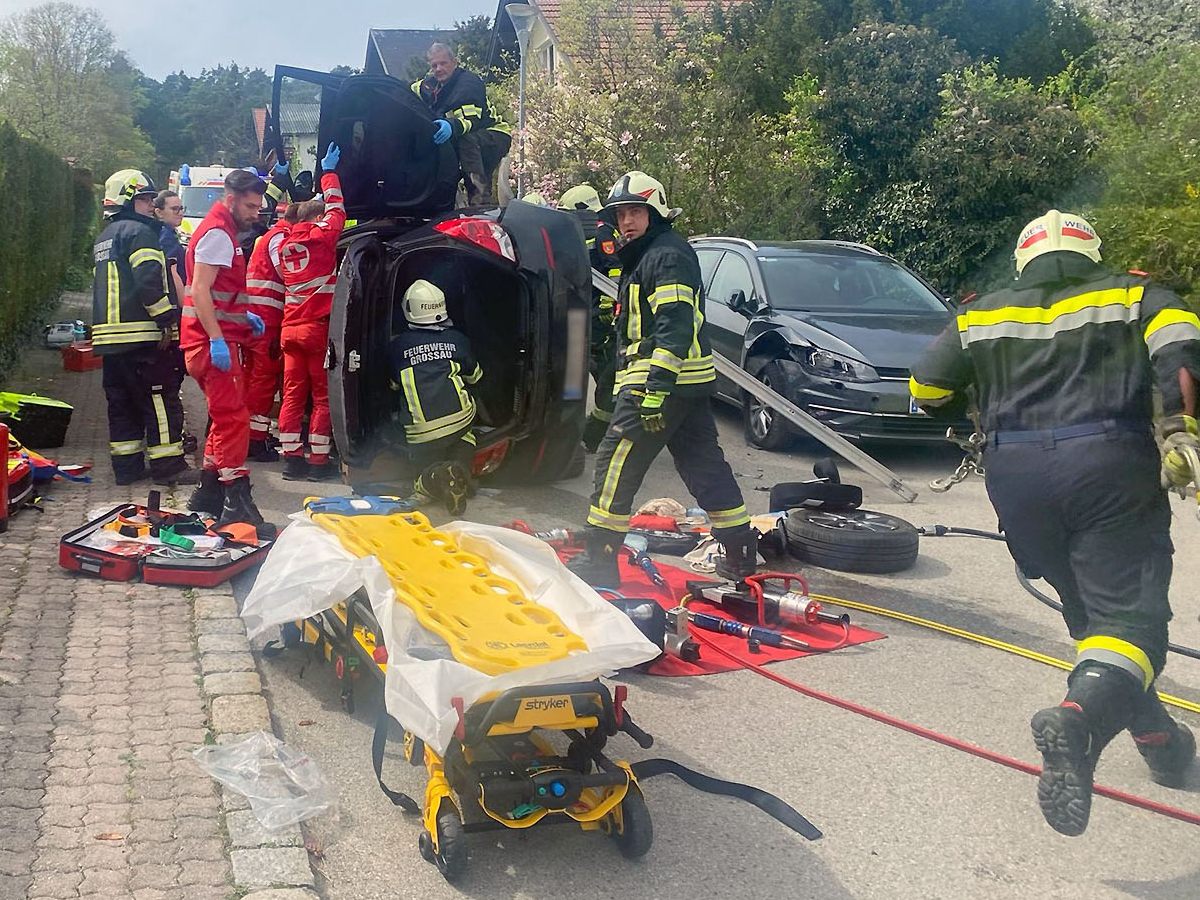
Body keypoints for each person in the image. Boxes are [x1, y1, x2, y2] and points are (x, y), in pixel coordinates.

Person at [910, 209, 1200, 836]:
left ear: (1023, 259)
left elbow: (925, 390)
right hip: (1108, 466)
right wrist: (1180, 428)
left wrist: (979, 395)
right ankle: (1079, 719)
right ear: (1092, 251)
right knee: (1130, 624)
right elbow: (1181, 352)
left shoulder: (978, 312)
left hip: (1016, 479)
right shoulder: (1134, 293)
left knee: (1095, 623)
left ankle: (1160, 742)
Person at [569, 172, 757, 587]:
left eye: (635, 211)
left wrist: (655, 387)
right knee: (703, 466)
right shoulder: (650, 254)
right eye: (620, 214)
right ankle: (741, 552)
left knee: (615, 463)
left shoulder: (665, 256)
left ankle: (600, 559)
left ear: (655, 213)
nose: (626, 222)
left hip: (658, 384)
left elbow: (675, 323)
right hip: (685, 385)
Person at [182, 168, 273, 535]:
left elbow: (215, 291)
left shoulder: (220, 230)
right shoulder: (219, 234)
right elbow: (202, 291)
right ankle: (236, 503)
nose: (256, 213)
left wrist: (240, 315)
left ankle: (208, 493)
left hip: (209, 338)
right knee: (235, 418)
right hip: (211, 343)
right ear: (231, 199)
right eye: (251, 206)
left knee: (223, 418)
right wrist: (219, 337)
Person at [92, 170, 197, 486]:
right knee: (161, 400)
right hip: (142, 336)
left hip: (110, 342)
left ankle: (127, 468)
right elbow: (149, 281)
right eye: (146, 199)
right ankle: (169, 468)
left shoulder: (104, 237)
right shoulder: (141, 234)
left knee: (121, 404)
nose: (152, 205)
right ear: (128, 201)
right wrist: (167, 320)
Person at [277, 144, 345, 482]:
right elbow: (337, 210)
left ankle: (292, 460)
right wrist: (329, 173)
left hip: (289, 330)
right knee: (321, 396)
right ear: (315, 218)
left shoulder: (287, 243)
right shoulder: (322, 238)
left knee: (292, 395)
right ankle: (319, 462)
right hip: (316, 329)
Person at [388, 279, 482, 516]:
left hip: (422, 432)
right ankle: (458, 470)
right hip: (460, 421)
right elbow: (476, 378)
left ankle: (436, 477)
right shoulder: (458, 340)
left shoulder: (397, 347)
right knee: (466, 435)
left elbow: (392, 386)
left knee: (420, 485)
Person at [559, 184, 623, 452]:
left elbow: (615, 271)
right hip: (578, 317)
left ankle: (592, 435)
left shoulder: (603, 234)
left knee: (608, 382)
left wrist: (607, 309)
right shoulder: (576, 235)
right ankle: (576, 435)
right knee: (574, 382)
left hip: (599, 320)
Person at [243, 160, 299, 462]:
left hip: (255, 318)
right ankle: (255, 439)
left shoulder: (268, 237)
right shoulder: (280, 237)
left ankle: (250, 434)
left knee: (253, 377)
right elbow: (288, 271)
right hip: (265, 320)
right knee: (263, 379)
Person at [413, 42, 512, 205]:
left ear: (455, 62)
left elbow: (470, 122)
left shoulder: (468, 84)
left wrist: (451, 126)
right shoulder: (432, 85)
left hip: (495, 134)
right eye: (434, 65)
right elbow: (412, 90)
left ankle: (480, 202)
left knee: (466, 140)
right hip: (469, 136)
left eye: (443, 63)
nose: (438, 69)